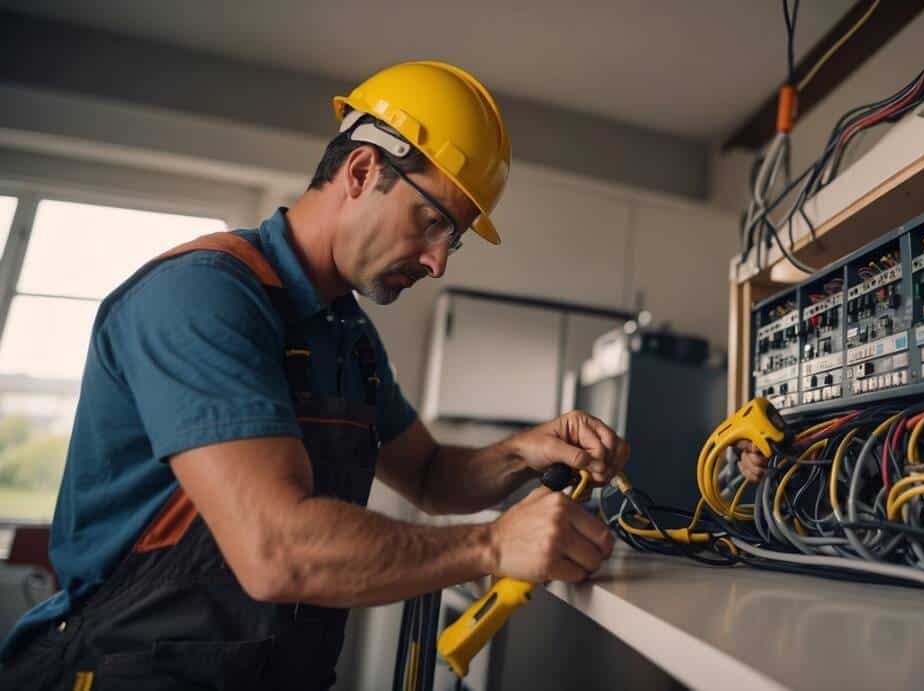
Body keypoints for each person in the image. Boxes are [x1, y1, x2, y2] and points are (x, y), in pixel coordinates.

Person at [0, 61, 628, 690]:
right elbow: (278, 551)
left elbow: (432, 477)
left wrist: (525, 450)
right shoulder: (202, 296)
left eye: (454, 239)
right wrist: (489, 546)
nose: (438, 261)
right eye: (433, 220)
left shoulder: (346, 336)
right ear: (361, 172)